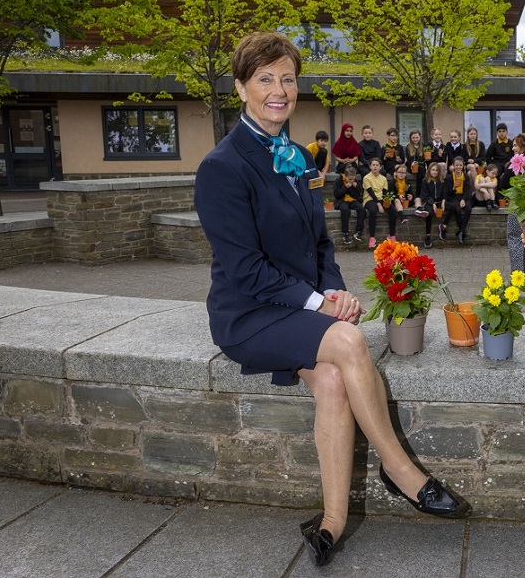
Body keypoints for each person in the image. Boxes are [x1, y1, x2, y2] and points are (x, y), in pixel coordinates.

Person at [194, 32, 467, 569]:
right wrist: (321, 305)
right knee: (345, 339)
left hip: (299, 306)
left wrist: (334, 291)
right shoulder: (221, 167)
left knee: (336, 377)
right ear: (241, 87)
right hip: (248, 313)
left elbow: (318, 243)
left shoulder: (295, 155)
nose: (279, 90)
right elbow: (245, 268)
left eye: (287, 79)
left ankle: (332, 521)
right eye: (265, 79)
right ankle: (401, 470)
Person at [504, 133, 525, 279]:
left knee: (515, 237)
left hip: (518, 204)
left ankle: (518, 273)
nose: (513, 148)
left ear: (523, 146)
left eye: (515, 145)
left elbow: (504, 182)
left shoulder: (515, 163)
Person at [440, 156, 473, 244]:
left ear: (463, 166)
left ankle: (461, 232)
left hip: (464, 196)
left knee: (468, 209)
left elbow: (467, 190)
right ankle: (462, 233)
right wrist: (453, 188)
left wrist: (463, 199)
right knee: (457, 209)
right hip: (454, 196)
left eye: (460, 165)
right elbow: (448, 193)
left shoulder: (466, 177)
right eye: (456, 165)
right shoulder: (449, 177)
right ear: (453, 166)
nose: (458, 167)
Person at [362, 157, 391, 248]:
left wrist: (387, 201)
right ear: (370, 166)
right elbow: (371, 192)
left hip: (381, 198)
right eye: (373, 165)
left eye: (377, 165)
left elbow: (385, 192)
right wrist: (379, 204)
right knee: (373, 211)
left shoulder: (383, 178)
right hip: (369, 199)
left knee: (393, 210)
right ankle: (372, 237)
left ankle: (392, 235)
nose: (375, 167)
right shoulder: (366, 178)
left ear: (380, 167)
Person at [332, 165, 365, 244]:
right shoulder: (339, 180)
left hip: (352, 200)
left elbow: (356, 195)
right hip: (341, 200)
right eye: (349, 179)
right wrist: (345, 187)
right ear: (345, 176)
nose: (351, 181)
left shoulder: (354, 181)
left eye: (353, 179)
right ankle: (345, 233)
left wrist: (356, 187)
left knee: (361, 209)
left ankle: (358, 231)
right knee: (345, 210)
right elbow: (336, 194)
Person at [416, 162, 445, 248]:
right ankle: (428, 236)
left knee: (452, 208)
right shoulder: (425, 181)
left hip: (439, 201)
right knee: (429, 213)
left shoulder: (442, 181)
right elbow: (424, 195)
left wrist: (443, 202)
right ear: (429, 171)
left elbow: (444, 193)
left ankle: (444, 228)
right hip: (429, 201)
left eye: (436, 170)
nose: (434, 172)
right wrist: (432, 203)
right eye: (433, 170)